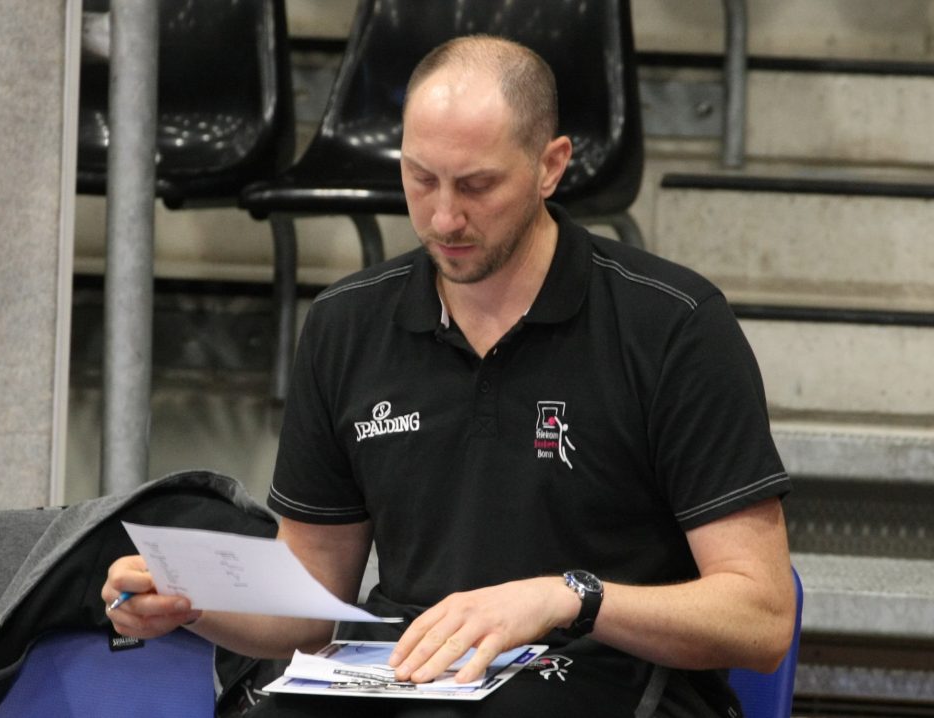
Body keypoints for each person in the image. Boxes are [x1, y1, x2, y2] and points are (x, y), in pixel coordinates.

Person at [104, 35, 796, 717]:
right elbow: (309, 607)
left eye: (477, 185)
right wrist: (192, 602)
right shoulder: (347, 324)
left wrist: (569, 597)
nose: (443, 217)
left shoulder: (671, 325)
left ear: (551, 166)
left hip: (606, 674)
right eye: (420, 177)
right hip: (405, 674)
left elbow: (761, 620)